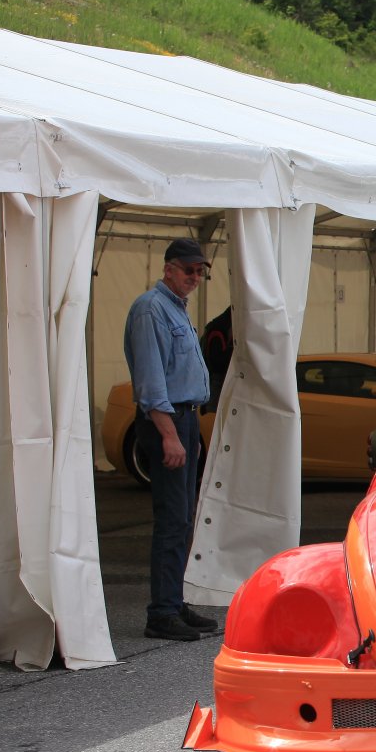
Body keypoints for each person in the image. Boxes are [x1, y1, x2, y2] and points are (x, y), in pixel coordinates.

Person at [124, 238, 217, 642]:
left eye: (199, 272)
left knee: (182, 518)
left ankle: (173, 602)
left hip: (185, 418)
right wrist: (169, 435)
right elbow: (151, 381)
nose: (194, 278)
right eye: (188, 270)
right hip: (168, 418)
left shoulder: (175, 308)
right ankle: (161, 612)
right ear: (169, 269)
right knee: (172, 518)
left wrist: (187, 432)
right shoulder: (151, 309)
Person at [199, 304, 233, 413]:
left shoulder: (220, 327)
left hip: (218, 385)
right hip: (215, 386)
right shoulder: (218, 329)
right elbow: (216, 363)